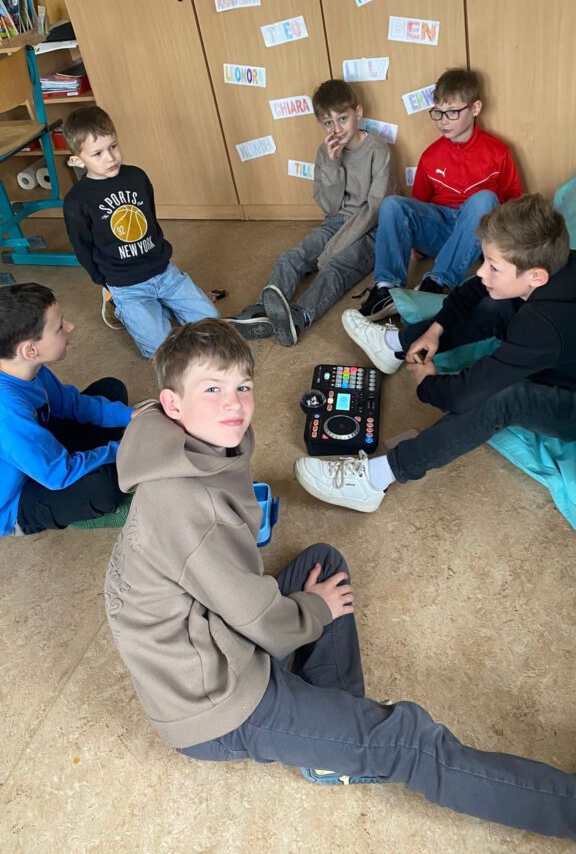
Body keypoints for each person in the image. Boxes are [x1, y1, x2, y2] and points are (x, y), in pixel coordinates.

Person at [104, 318, 576, 840]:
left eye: (243, 386)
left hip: (206, 644)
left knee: (322, 564)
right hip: (217, 704)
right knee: (408, 741)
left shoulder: (176, 442)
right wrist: (314, 611)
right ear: (173, 404)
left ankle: (333, 747)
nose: (234, 404)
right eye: (212, 389)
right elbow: (259, 617)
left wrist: (303, 608)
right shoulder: (189, 508)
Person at [296, 194, 576, 514]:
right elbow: (475, 288)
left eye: (494, 267)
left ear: (537, 275)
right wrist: (436, 328)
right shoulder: (557, 261)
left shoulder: (543, 324)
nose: (482, 272)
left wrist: (428, 384)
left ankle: (374, 480)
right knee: (496, 301)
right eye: (485, 260)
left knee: (505, 400)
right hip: (558, 349)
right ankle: (395, 345)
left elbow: (465, 396)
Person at [227, 79, 396, 346]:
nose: (336, 129)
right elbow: (330, 207)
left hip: (371, 229)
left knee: (335, 268)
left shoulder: (378, 150)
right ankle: (264, 311)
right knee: (292, 257)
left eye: (343, 119)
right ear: (320, 123)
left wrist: (333, 248)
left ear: (358, 112)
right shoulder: (324, 152)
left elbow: (375, 210)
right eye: (328, 123)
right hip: (336, 221)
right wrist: (332, 163)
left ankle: (298, 317)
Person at [356, 68, 522, 321]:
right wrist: (414, 242)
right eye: (438, 112)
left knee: (485, 199)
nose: (443, 120)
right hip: (441, 229)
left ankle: (436, 284)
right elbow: (418, 205)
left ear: (475, 108)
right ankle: (386, 289)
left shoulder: (499, 151)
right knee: (392, 204)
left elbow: (514, 203)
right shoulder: (431, 155)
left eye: (452, 112)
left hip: (479, 235)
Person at [62, 106, 218, 358]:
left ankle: (160, 307)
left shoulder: (137, 176)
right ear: (78, 161)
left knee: (214, 324)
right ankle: (117, 304)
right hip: (126, 285)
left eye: (113, 146)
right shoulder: (76, 201)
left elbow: (150, 218)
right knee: (159, 350)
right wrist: (104, 280)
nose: (110, 158)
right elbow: (82, 246)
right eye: (98, 153)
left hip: (165, 273)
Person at [0, 283, 133, 537]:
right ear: (30, 350)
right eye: (60, 326)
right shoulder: (7, 413)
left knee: (111, 389)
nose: (70, 326)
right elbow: (58, 473)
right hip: (17, 496)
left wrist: (130, 415)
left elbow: (69, 404)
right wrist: (124, 448)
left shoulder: (27, 368)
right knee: (103, 488)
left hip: (39, 446)